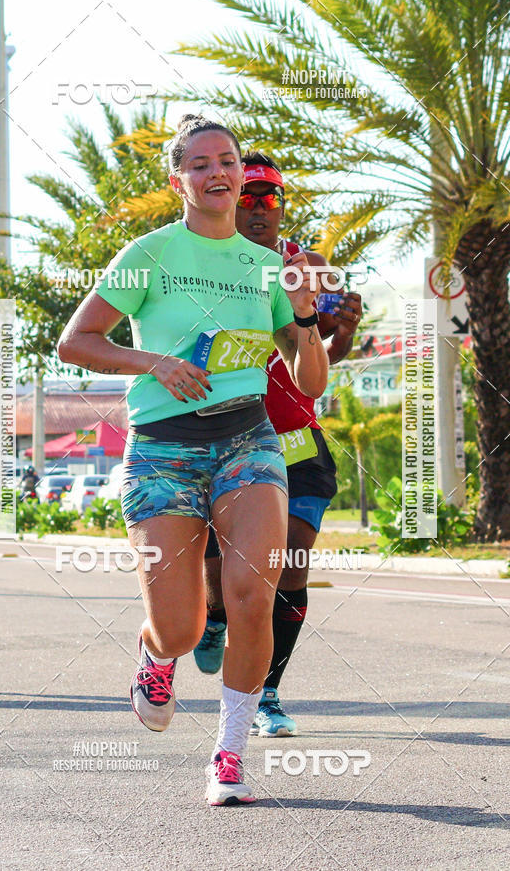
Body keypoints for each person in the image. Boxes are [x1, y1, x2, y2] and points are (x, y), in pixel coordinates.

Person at [57, 115, 329, 805]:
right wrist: (154, 362)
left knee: (251, 598)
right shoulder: (148, 253)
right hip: (164, 449)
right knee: (181, 626)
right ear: (178, 178)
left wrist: (302, 317)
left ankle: (229, 756)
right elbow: (76, 341)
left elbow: (311, 380)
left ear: (241, 173)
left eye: (228, 161)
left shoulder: (267, 265)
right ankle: (155, 654)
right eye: (201, 163)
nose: (217, 173)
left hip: (248, 439)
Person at [193, 152, 363, 736]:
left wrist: (341, 329)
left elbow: (316, 364)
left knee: (290, 566)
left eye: (271, 197)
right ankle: (214, 617)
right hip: (223, 440)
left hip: (295, 441)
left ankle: (267, 693)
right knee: (224, 582)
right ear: (228, 197)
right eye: (249, 196)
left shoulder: (306, 266)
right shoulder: (202, 266)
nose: (260, 207)